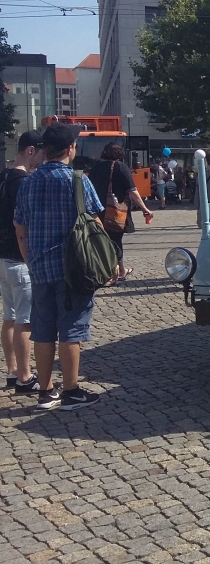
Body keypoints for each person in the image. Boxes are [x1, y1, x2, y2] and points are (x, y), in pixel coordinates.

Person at [14, 123, 104, 410]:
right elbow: (95, 223)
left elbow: (20, 226)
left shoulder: (27, 182)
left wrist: (30, 259)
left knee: (42, 328)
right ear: (70, 149)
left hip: (39, 267)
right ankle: (71, 391)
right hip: (73, 269)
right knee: (71, 329)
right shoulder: (78, 180)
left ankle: (45, 391)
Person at [0, 131, 45, 395]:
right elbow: (24, 225)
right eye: (40, 152)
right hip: (19, 257)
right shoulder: (25, 182)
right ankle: (26, 376)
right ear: (30, 150)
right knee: (24, 320)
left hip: (2, 256)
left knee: (9, 316)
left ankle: (12, 370)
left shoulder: (3, 177)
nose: (41, 158)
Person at [88, 142, 153, 284]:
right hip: (116, 212)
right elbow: (132, 191)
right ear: (119, 154)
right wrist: (144, 209)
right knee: (115, 241)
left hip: (97, 212)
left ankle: (118, 269)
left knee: (102, 241)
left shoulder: (95, 168)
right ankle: (113, 273)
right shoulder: (121, 167)